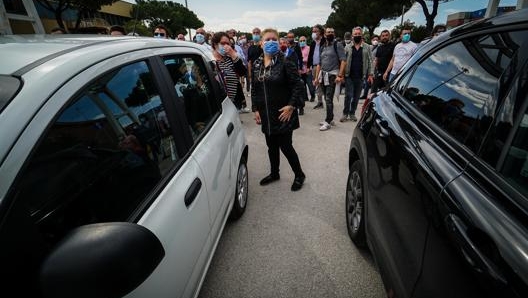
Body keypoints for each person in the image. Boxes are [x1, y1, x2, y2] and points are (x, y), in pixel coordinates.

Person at [251, 28, 306, 191]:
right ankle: (274, 173)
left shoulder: (286, 61)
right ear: (261, 43)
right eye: (267, 39)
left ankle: (299, 175)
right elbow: (255, 88)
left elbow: (298, 86)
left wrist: (291, 106)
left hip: (283, 114)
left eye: (274, 39)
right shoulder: (257, 64)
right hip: (266, 114)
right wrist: (256, 109)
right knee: (271, 146)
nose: (271, 42)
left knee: (286, 146)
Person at [313, 27, 347, 131]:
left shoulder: (338, 45)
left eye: (332, 32)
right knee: (326, 98)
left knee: (328, 98)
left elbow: (343, 61)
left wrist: (340, 75)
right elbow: (319, 63)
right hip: (323, 75)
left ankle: (328, 121)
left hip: (333, 75)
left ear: (334, 34)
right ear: (324, 34)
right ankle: (330, 118)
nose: (330, 34)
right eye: (328, 32)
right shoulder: (323, 46)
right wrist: (316, 78)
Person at [342, 27, 373, 122]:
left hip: (361, 76)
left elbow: (370, 61)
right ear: (352, 36)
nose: (357, 35)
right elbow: (343, 61)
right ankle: (345, 113)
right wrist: (341, 74)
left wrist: (370, 74)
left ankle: (352, 113)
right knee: (348, 95)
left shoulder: (367, 47)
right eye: (355, 34)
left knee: (356, 96)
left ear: (362, 35)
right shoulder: (347, 47)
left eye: (359, 34)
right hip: (349, 75)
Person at [211, 31, 248, 112]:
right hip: (218, 105)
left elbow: (242, 72)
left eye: (228, 44)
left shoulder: (229, 59)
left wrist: (233, 55)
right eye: (223, 43)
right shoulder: (211, 60)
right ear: (215, 44)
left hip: (233, 102)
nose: (226, 46)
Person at [307, 24, 325, 108]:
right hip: (314, 66)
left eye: (315, 31)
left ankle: (328, 100)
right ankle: (320, 101)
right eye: (313, 31)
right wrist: (308, 66)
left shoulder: (325, 41)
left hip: (324, 66)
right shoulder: (313, 43)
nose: (313, 33)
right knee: (317, 83)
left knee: (325, 84)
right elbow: (310, 55)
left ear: (320, 32)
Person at [299, 35, 315, 103]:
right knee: (303, 86)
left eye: (303, 40)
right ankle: (305, 97)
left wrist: (304, 60)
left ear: (306, 41)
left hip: (308, 70)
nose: (302, 42)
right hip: (301, 71)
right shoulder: (298, 49)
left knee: (310, 85)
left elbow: (311, 58)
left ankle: (313, 95)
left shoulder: (309, 48)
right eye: (301, 41)